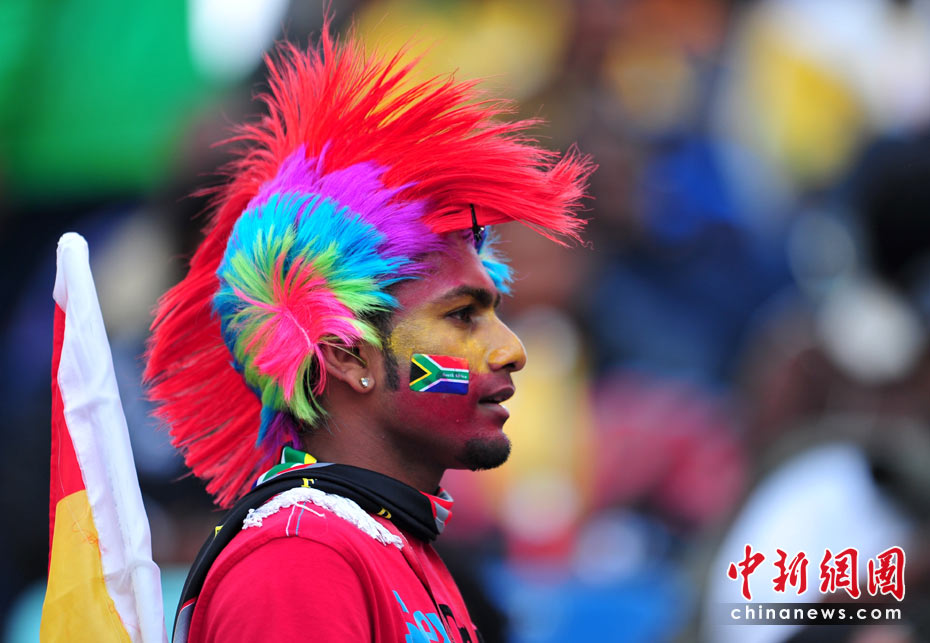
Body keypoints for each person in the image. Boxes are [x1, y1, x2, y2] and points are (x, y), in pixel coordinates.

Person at [145, 23, 591, 643]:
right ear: (348, 355)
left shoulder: (389, 543)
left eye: (494, 311)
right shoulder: (298, 559)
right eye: (463, 315)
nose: (511, 350)